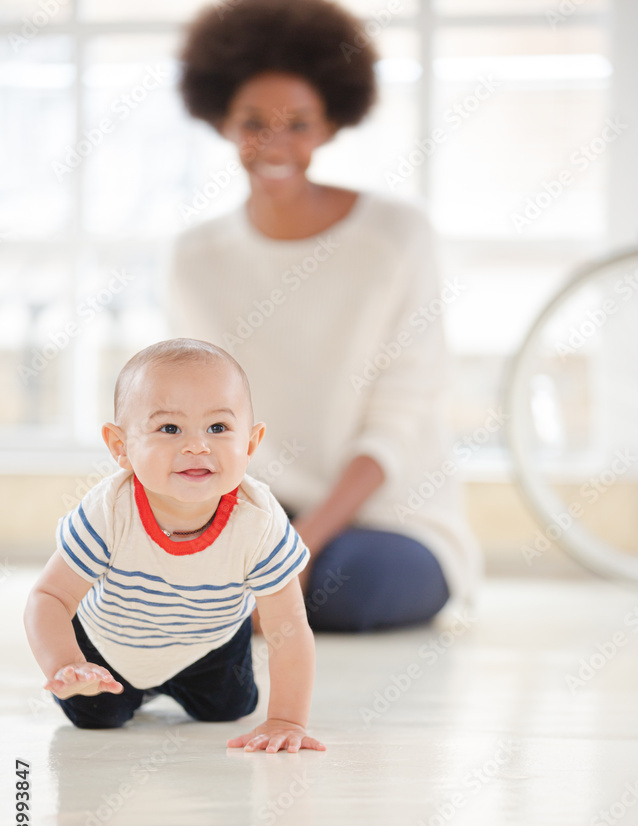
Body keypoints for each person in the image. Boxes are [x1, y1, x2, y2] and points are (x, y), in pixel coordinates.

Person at [169, 0, 483, 633]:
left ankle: (244, 602)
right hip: (259, 514)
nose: (275, 144)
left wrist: (303, 545)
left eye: (298, 124)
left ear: (332, 124)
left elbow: (399, 418)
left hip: (388, 522)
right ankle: (242, 598)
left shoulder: (396, 235)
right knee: (146, 565)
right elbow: (196, 415)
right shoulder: (196, 256)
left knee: (354, 583)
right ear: (222, 121)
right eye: (253, 122)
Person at [23, 339, 326, 754]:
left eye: (217, 428)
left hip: (211, 645)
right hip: (110, 646)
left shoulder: (258, 521)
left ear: (251, 444)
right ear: (120, 447)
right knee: (97, 718)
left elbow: (287, 626)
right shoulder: (109, 511)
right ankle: (104, 685)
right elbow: (49, 597)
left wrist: (286, 720)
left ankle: (197, 684)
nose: (197, 446)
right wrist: (67, 663)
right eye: (170, 429)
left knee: (229, 708)